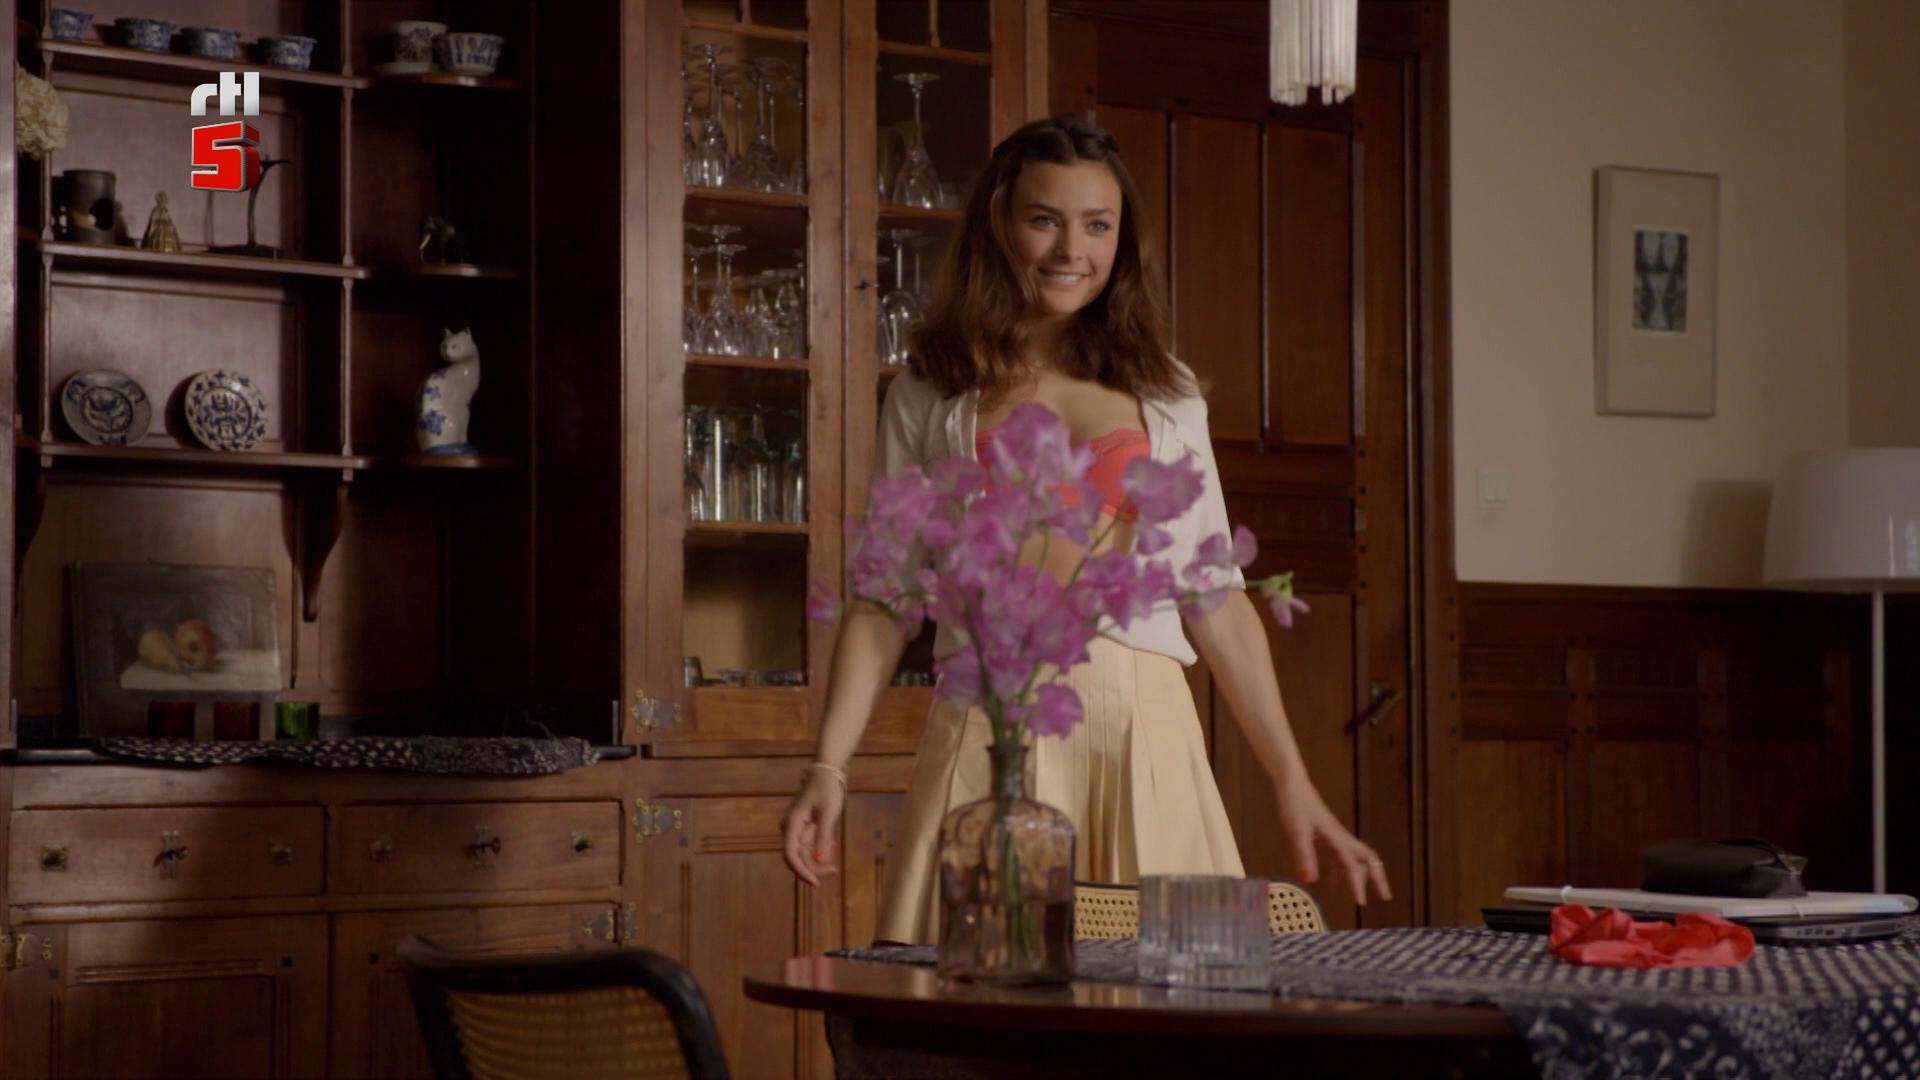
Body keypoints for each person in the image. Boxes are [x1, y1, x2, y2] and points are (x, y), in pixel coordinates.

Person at [780, 115, 1390, 942]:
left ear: (1121, 240)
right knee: (980, 996)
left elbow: (1213, 596)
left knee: (1164, 1000)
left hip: (1144, 732)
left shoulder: (1168, 393)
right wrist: (829, 766)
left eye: (1098, 225)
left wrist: (1292, 780)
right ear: (1000, 226)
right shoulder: (929, 391)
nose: (1073, 249)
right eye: (1045, 219)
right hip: (988, 730)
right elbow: (885, 599)